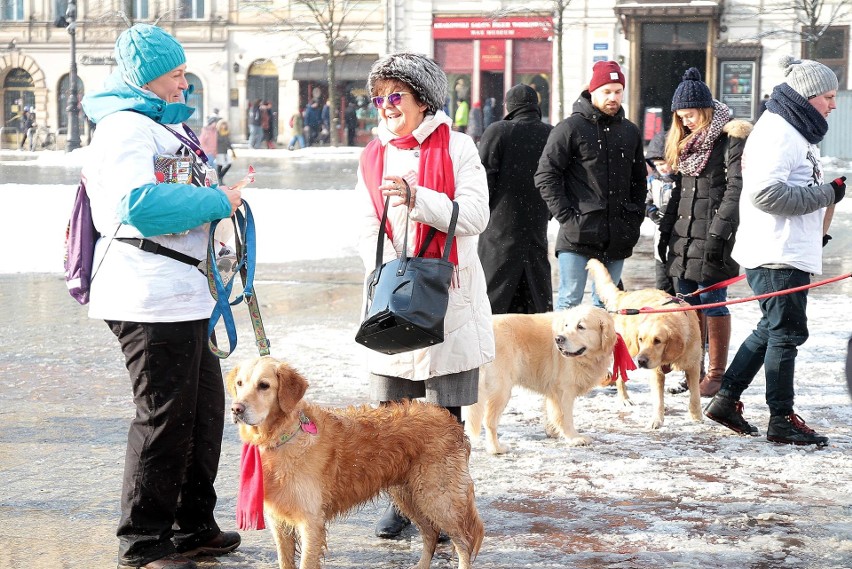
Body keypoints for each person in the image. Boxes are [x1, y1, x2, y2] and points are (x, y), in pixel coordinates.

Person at [79, 23, 242, 569]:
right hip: (146, 297)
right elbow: (141, 206)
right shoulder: (126, 128)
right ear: (149, 76)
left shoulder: (163, 127)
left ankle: (191, 525)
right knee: (163, 418)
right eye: (175, 73)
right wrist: (217, 200)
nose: (183, 82)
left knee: (201, 416)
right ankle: (143, 541)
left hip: (184, 292)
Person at [356, 52, 494, 539]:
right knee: (392, 418)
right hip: (393, 295)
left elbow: (476, 216)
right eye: (379, 97)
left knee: (442, 421)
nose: (386, 105)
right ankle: (402, 504)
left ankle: (448, 501)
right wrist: (382, 271)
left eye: (397, 95)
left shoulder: (458, 148)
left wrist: (421, 198)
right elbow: (364, 220)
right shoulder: (373, 153)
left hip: (447, 294)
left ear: (423, 100)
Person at [703, 56, 846, 447]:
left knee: (772, 328)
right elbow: (767, 195)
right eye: (828, 97)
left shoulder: (792, 130)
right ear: (806, 96)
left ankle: (727, 400)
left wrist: (816, 233)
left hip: (784, 249)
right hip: (777, 253)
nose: (833, 104)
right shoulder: (779, 132)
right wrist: (827, 193)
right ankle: (780, 417)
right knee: (787, 332)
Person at [658, 68, 752, 398]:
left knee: (713, 303)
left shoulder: (730, 140)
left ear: (706, 109)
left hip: (714, 238)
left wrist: (718, 235)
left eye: (692, 115)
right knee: (687, 306)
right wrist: (665, 230)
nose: (687, 122)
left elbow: (735, 190)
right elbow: (680, 193)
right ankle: (692, 369)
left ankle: (716, 373)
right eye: (681, 118)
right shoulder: (683, 143)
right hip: (683, 238)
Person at [534, 60, 646, 309]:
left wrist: (635, 216)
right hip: (577, 233)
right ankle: (561, 350)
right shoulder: (570, 128)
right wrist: (566, 216)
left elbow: (638, 180)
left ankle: (599, 351)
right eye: (606, 91)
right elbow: (546, 175)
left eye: (618, 91)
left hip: (618, 234)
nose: (613, 97)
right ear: (592, 91)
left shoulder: (630, 131)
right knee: (569, 303)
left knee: (606, 304)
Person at [477, 84, 554, 314]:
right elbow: (558, 178)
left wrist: (483, 212)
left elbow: (483, 179)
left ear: (509, 107)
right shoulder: (550, 133)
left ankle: (493, 348)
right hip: (535, 228)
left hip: (500, 228)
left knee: (493, 299)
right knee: (535, 299)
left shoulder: (498, 131)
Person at [643, 130, 676, 296]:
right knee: (663, 289)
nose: (662, 167)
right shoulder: (654, 181)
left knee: (681, 290)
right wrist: (651, 211)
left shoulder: (683, 181)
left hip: (678, 245)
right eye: (657, 164)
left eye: (665, 162)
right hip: (660, 246)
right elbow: (646, 199)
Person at [215, 118, 236, 183]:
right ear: (219, 125)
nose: (224, 126)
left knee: (229, 164)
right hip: (219, 151)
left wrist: (232, 150)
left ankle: (220, 177)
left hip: (225, 151)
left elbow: (228, 142)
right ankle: (220, 179)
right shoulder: (217, 133)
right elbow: (217, 141)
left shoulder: (226, 133)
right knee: (220, 165)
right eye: (222, 125)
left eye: (225, 125)